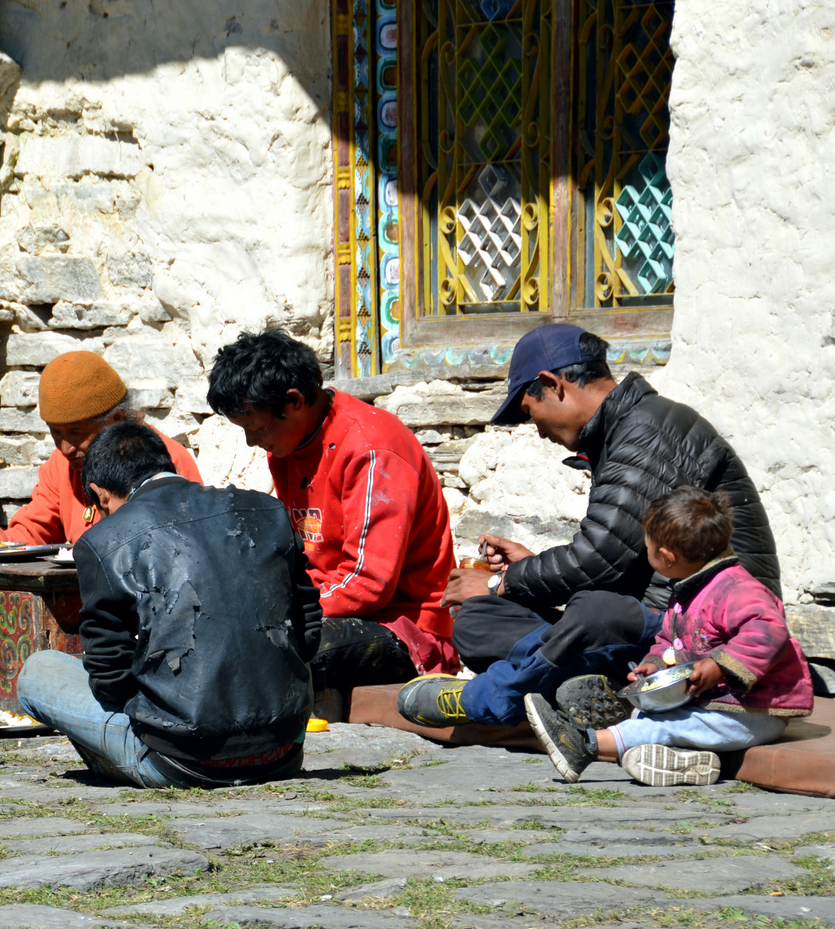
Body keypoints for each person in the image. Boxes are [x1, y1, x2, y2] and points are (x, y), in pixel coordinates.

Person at [400, 324, 781, 728]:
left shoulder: (648, 430)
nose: (540, 432)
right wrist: (525, 572)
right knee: (480, 620)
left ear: (552, 384)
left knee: (589, 611)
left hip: (702, 630)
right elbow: (619, 557)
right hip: (648, 624)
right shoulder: (623, 431)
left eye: (531, 414)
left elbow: (599, 558)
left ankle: (492, 698)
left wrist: (503, 582)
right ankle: (592, 683)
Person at [14, 421, 318, 787]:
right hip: (283, 751)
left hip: (181, 761)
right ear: (166, 466)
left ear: (100, 494)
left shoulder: (104, 540)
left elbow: (111, 680)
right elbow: (309, 633)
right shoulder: (267, 510)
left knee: (39, 670)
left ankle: (120, 759)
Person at [206, 329, 459, 696]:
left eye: (256, 428)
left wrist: (282, 612)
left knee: (269, 648)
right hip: (328, 609)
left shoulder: (371, 450)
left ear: (293, 401)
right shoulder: (288, 445)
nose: (252, 441)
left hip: (401, 626)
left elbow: (369, 584)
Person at [525, 487, 812, 787]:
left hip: (752, 712)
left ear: (666, 556)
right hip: (711, 704)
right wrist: (655, 664)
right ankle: (685, 760)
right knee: (646, 722)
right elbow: (669, 638)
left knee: (666, 725)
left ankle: (583, 746)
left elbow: (769, 630)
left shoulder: (737, 589)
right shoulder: (689, 588)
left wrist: (718, 665)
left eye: (647, 548)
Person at [0, 351, 202, 545]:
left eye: (77, 433)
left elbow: (188, 546)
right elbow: (31, 534)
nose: (66, 448)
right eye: (56, 433)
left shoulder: (167, 464)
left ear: (117, 419)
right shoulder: (61, 466)